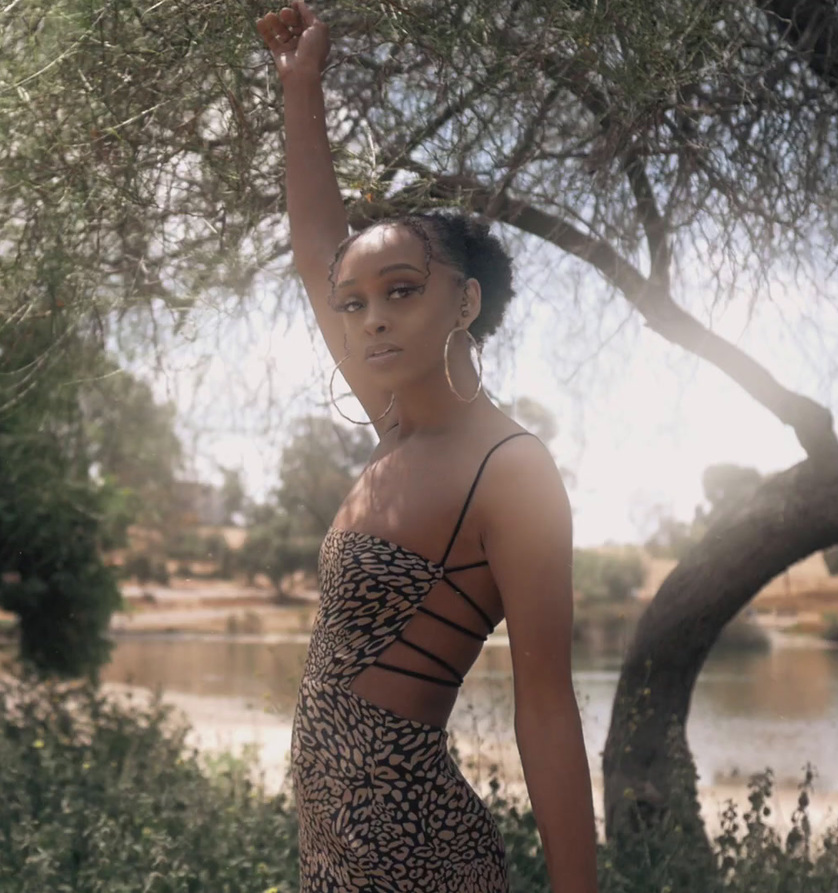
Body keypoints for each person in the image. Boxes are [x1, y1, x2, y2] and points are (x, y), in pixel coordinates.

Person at [255, 3, 600, 891]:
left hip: (416, 857)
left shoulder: (512, 471)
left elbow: (548, 707)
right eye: (356, 302)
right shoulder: (401, 428)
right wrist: (301, 89)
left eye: (400, 291)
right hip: (333, 852)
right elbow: (313, 252)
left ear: (465, 303)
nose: (371, 318)